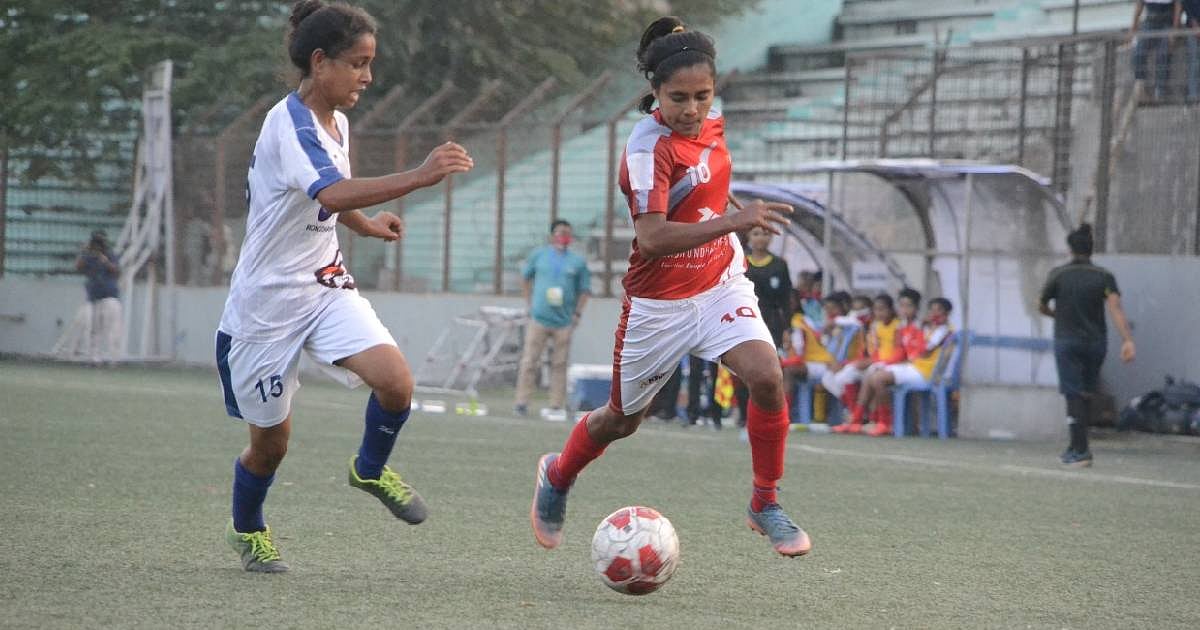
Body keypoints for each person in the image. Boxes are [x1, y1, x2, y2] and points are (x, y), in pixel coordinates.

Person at [530, 16, 811, 557]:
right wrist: (734, 221)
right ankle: (558, 474)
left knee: (767, 376)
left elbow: (708, 181)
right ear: (655, 93)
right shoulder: (647, 148)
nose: (692, 109)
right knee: (621, 420)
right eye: (678, 98)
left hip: (720, 282)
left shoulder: (712, 119)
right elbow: (653, 237)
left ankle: (764, 502)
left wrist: (724, 212)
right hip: (659, 302)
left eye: (703, 96)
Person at [215, 0, 474, 573]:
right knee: (271, 445)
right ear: (319, 61)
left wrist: (367, 225)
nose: (367, 76)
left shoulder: (339, 121)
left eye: (369, 63)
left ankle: (370, 468)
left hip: (324, 285)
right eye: (358, 63)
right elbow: (330, 193)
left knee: (396, 382)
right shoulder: (290, 124)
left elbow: (333, 196)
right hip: (265, 307)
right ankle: (248, 529)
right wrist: (421, 175)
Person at [1039, 224, 1136, 467]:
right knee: (1086, 393)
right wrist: (1127, 340)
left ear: (1070, 249)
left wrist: (1056, 316)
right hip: (1095, 343)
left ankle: (1081, 450)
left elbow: (1040, 304)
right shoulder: (1104, 276)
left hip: (1067, 341)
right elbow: (1115, 308)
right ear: (1091, 249)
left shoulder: (1059, 274)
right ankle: (1076, 446)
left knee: (1073, 394)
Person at [514, 220, 591, 421]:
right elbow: (524, 277)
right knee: (530, 360)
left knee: (559, 364)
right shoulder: (538, 255)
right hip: (539, 318)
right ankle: (521, 402)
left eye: (567, 233)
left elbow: (584, 290)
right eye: (560, 233)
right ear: (551, 236)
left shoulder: (578, 262)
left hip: (564, 321)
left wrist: (577, 314)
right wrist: (529, 303)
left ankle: (556, 404)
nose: (563, 237)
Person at [859, 296, 955, 436]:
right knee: (873, 374)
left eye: (939, 310)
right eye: (932, 310)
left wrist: (920, 330)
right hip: (916, 367)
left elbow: (925, 351)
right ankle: (869, 420)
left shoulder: (944, 329)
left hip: (927, 372)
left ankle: (886, 423)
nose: (934, 313)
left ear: (947, 313)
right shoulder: (925, 327)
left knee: (878, 379)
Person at [828, 294, 903, 435]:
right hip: (878, 362)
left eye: (882, 309)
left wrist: (876, 362)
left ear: (891, 310)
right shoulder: (876, 326)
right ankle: (854, 416)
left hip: (891, 364)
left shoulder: (897, 326)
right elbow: (874, 352)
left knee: (870, 375)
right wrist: (856, 362)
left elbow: (899, 352)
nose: (879, 313)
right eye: (877, 310)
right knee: (844, 375)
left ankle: (866, 419)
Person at [76, 230, 123, 362]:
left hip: (110, 296)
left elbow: (117, 271)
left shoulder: (110, 255)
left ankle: (114, 357)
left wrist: (106, 262)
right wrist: (83, 252)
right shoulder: (88, 255)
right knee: (93, 329)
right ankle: (94, 357)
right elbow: (78, 267)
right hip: (94, 297)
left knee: (113, 328)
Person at [743, 226, 792, 346]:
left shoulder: (779, 265)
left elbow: (786, 298)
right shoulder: (741, 262)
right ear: (749, 236)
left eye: (765, 234)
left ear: (771, 237)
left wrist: (787, 329)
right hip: (745, 320)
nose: (761, 238)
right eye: (756, 234)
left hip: (772, 322)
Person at [1131, 0, 1182, 102]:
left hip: (1167, 21)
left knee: (1163, 54)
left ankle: (1160, 91)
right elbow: (1139, 7)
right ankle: (1140, 87)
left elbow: (1178, 7)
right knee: (1139, 52)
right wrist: (1133, 30)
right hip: (1150, 21)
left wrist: (1175, 30)